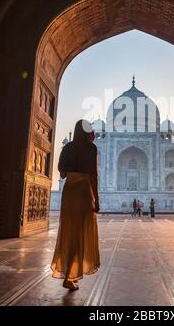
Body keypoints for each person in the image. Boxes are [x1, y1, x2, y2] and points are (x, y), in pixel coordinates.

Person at [51, 119, 100, 291]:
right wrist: (97, 200)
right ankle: (71, 275)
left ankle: (68, 273)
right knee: (80, 233)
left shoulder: (68, 148)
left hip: (70, 191)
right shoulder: (91, 148)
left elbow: (62, 173)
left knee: (69, 231)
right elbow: (93, 176)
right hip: (84, 192)